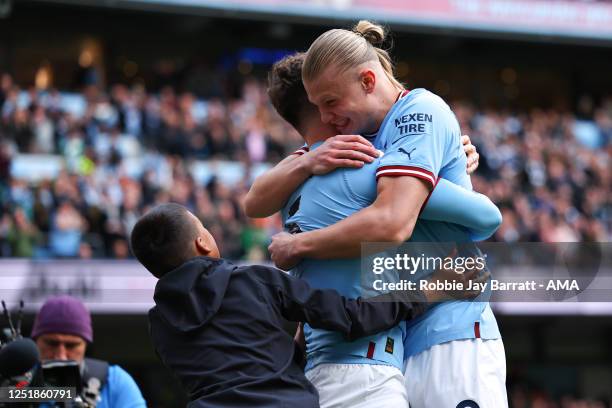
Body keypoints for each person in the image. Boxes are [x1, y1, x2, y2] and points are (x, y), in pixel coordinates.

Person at [263, 21, 507, 408]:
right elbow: (255, 201)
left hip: (450, 324)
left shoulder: (420, 112)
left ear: (367, 80)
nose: (326, 116)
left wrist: (299, 245)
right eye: (318, 107)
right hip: (400, 328)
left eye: (330, 102)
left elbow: (472, 219)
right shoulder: (354, 143)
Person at [129, 203, 483, 408]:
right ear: (203, 241)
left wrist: (294, 350)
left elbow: (229, 372)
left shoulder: (159, 325)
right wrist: (429, 290)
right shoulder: (253, 280)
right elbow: (353, 317)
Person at [31, 295, 147, 408]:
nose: (61, 356)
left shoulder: (115, 383)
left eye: (71, 345)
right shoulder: (18, 384)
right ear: (36, 341)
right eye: (52, 343)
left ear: (86, 345)